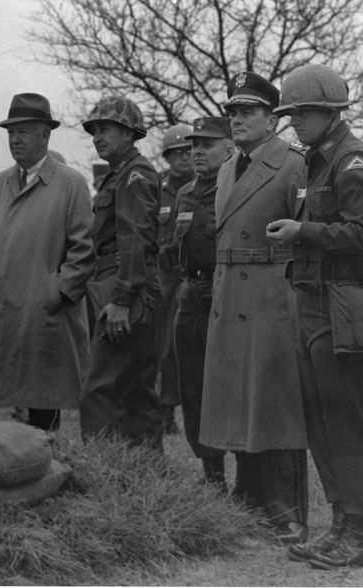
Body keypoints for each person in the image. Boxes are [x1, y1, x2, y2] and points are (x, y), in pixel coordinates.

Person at [267, 63, 363, 569]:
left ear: (328, 111)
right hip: (314, 304)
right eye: (291, 113)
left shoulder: (352, 162)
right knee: (322, 423)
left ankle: (360, 535)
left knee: (347, 422)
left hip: (340, 308)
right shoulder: (319, 161)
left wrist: (304, 234)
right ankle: (340, 525)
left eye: (300, 112)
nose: (293, 122)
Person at [199, 72, 309, 544]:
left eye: (247, 112)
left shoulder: (293, 165)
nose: (237, 119)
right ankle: (249, 503)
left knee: (275, 399)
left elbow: (307, 235)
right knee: (236, 398)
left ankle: (287, 512)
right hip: (229, 293)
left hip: (270, 293)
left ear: (272, 120)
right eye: (232, 112)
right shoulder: (227, 168)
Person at [0, 93, 94, 432]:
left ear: (45, 135)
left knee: (41, 399)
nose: (15, 140)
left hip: (41, 312)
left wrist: (55, 293)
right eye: (10, 133)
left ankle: (42, 469)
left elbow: (84, 249)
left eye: (24, 132)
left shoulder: (70, 183)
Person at [78, 96, 164, 450]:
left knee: (100, 390)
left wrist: (122, 299)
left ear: (129, 134)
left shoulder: (134, 176)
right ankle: (147, 475)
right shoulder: (123, 175)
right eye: (94, 130)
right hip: (129, 285)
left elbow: (135, 238)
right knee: (135, 389)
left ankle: (103, 476)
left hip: (124, 286)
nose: (97, 136)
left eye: (105, 129)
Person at [168, 116, 235, 489]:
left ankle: (243, 472)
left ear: (229, 149)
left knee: (223, 385)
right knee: (191, 387)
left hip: (223, 293)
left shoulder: (237, 187)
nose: (196, 151)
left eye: (206, 144)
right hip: (189, 295)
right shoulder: (184, 194)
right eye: (194, 145)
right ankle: (212, 473)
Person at [157, 124, 196, 435]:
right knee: (166, 347)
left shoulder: (207, 187)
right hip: (166, 280)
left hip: (198, 276)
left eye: (188, 151)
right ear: (167, 158)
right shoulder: (157, 191)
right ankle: (165, 412)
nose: (184, 157)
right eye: (177, 153)